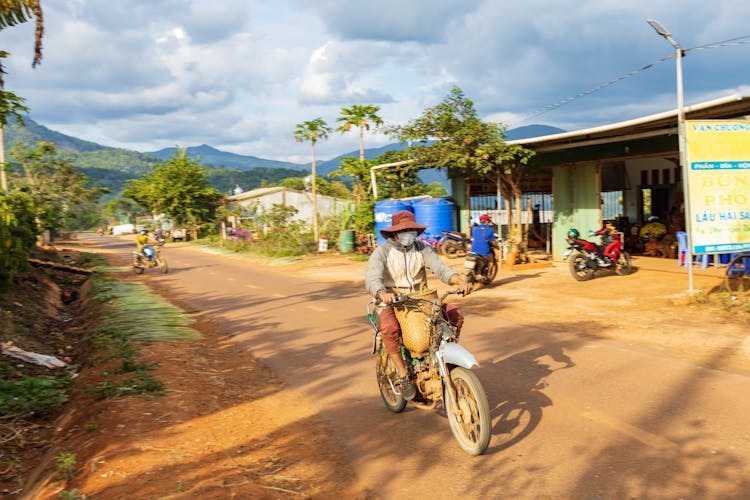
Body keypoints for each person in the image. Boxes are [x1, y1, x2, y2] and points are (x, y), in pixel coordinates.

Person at [365, 210, 472, 401]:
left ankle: (443, 359)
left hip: (422, 300)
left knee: (454, 313)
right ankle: (403, 374)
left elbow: (441, 269)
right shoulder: (382, 252)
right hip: (393, 302)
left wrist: (459, 281)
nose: (409, 234)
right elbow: (372, 279)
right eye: (404, 230)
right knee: (389, 329)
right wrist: (383, 293)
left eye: (412, 230)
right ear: (394, 233)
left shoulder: (422, 249)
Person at [469, 214, 498, 278]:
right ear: (486, 221)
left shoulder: (474, 229)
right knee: (491, 260)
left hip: (473, 251)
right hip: (484, 252)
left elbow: (476, 238)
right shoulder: (490, 230)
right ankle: (489, 274)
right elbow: (493, 242)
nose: (489, 221)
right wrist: (496, 246)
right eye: (488, 220)